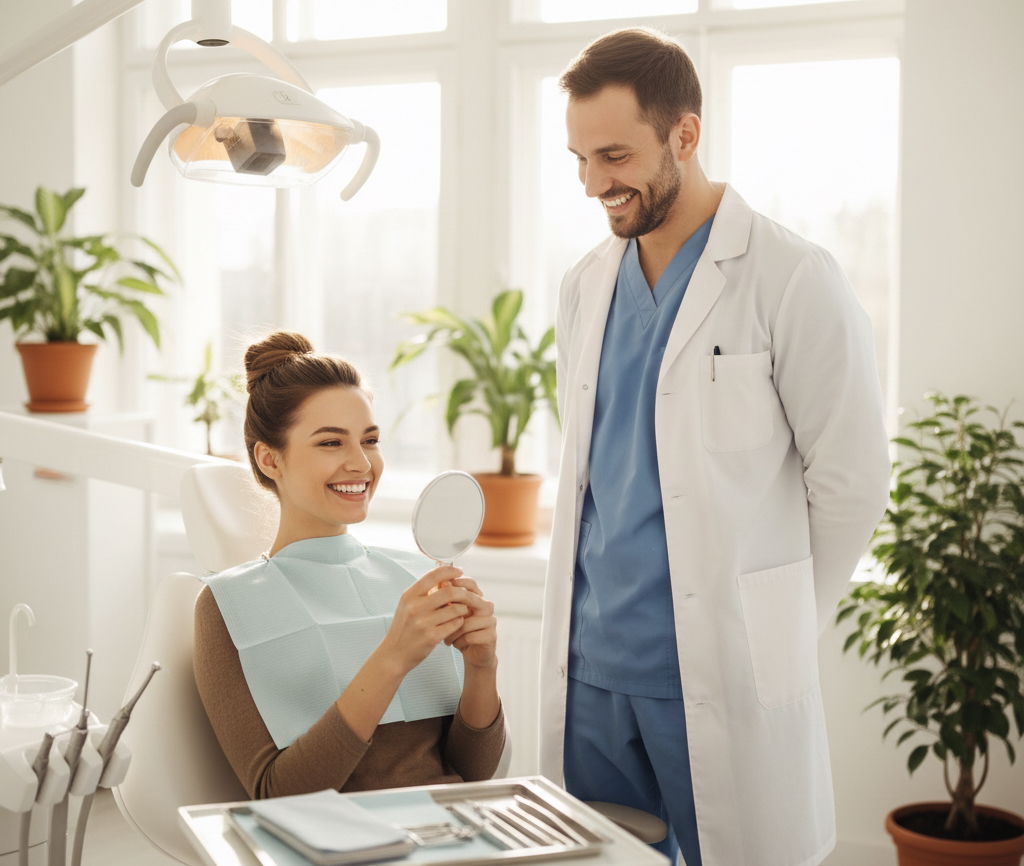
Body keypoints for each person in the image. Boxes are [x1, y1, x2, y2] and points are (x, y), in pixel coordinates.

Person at [539, 27, 891, 866]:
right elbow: (592, 473)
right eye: (580, 160)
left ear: (685, 135)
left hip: (721, 672)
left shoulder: (792, 276)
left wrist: (777, 625)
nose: (595, 184)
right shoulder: (585, 287)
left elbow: (852, 483)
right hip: (591, 670)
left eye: (615, 156)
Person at [194, 331, 504, 799]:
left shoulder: (413, 580)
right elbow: (278, 796)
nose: (361, 463)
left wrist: (482, 667)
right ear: (269, 459)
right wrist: (392, 657)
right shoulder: (227, 606)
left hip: (450, 832)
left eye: (370, 439)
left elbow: (474, 772)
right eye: (330, 443)